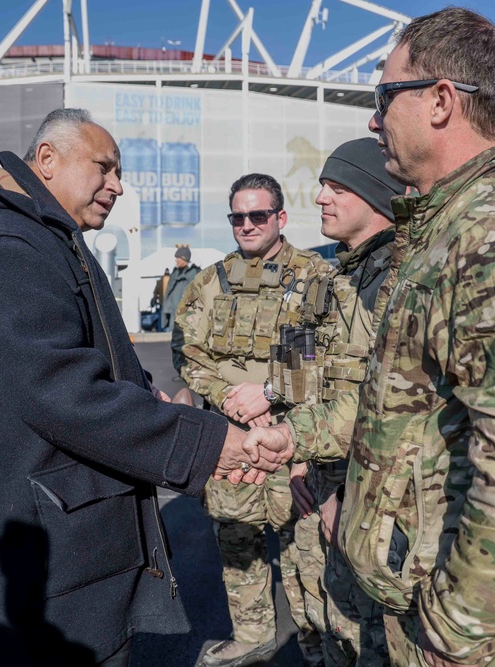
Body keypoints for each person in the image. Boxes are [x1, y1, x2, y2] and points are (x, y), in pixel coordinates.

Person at [248, 8, 495, 666]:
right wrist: (296, 437)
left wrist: (454, 631)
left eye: (384, 96)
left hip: (491, 640)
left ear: (442, 101)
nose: (373, 117)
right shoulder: (442, 234)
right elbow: (402, 410)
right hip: (427, 609)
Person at [0, 108, 291, 666]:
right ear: (47, 161)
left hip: (52, 563)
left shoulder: (44, 236)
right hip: (27, 585)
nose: (118, 185)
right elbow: (60, 389)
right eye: (103, 167)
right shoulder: (1, 247)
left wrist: (143, 393)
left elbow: (78, 358)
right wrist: (203, 443)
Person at [174, 173, 331, 667]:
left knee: (308, 559)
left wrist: (270, 395)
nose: (247, 224)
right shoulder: (210, 282)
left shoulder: (313, 277)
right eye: (237, 216)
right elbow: (187, 349)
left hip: (293, 443)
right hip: (232, 440)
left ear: (280, 218)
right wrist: (225, 396)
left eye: (257, 215)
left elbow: (328, 352)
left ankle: (321, 651)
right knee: (238, 548)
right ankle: (253, 638)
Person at [281, 137, 404, 667]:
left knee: (368, 638)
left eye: (337, 188)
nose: (322, 199)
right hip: (316, 480)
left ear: (375, 196)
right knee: (328, 624)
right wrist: (299, 459)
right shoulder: (327, 276)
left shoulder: (402, 283)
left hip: (373, 505)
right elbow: (292, 369)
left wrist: (349, 503)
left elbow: (395, 414)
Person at [161, 246, 200, 332]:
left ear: (184, 259)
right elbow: (169, 293)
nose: (176, 260)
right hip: (173, 315)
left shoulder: (194, 273)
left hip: (187, 317)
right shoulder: (175, 273)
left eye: (178, 258)